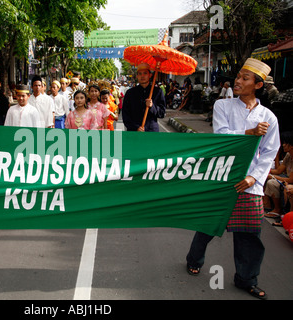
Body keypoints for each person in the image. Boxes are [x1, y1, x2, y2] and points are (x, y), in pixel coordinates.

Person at [186, 58, 280, 300]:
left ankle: (246, 279)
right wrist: (248, 133)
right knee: (209, 224)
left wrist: (254, 178)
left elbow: (270, 152)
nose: (237, 81)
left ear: (258, 85)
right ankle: (194, 259)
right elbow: (221, 138)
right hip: (222, 178)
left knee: (249, 235)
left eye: (244, 78)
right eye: (238, 77)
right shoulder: (222, 106)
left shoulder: (269, 117)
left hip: (250, 184)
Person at [122, 63, 166, 132]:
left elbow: (162, 113)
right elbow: (125, 115)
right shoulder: (130, 93)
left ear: (150, 75)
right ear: (136, 76)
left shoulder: (157, 92)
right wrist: (136, 127)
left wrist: (152, 106)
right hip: (134, 132)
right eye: (139, 73)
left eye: (145, 73)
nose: (142, 76)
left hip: (151, 131)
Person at [264, 131, 293, 218]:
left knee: (272, 182)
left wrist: (272, 176)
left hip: (289, 181)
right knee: (265, 177)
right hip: (286, 178)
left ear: (291, 145)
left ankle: (280, 211)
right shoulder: (288, 155)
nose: (283, 145)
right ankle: (268, 205)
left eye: (285, 143)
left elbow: (290, 180)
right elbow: (278, 170)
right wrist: (264, 171)